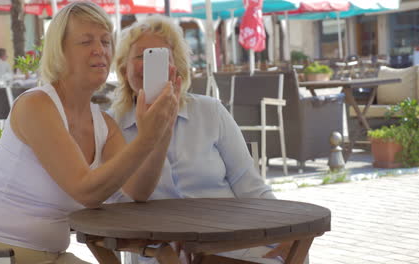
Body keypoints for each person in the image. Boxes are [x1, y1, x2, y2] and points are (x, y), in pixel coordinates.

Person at [0, 2, 179, 264]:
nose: (100, 50)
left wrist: (162, 130)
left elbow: (139, 190)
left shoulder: (104, 125)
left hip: (50, 255)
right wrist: (146, 138)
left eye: (105, 41)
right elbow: (85, 191)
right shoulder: (36, 105)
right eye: (86, 41)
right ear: (60, 51)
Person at [109, 15, 292, 264]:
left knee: (289, 252)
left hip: (232, 242)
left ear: (178, 68)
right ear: (123, 69)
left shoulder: (210, 111)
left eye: (162, 57)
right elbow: (118, 209)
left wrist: (286, 229)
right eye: (142, 56)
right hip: (162, 254)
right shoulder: (112, 126)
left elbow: (249, 184)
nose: (150, 65)